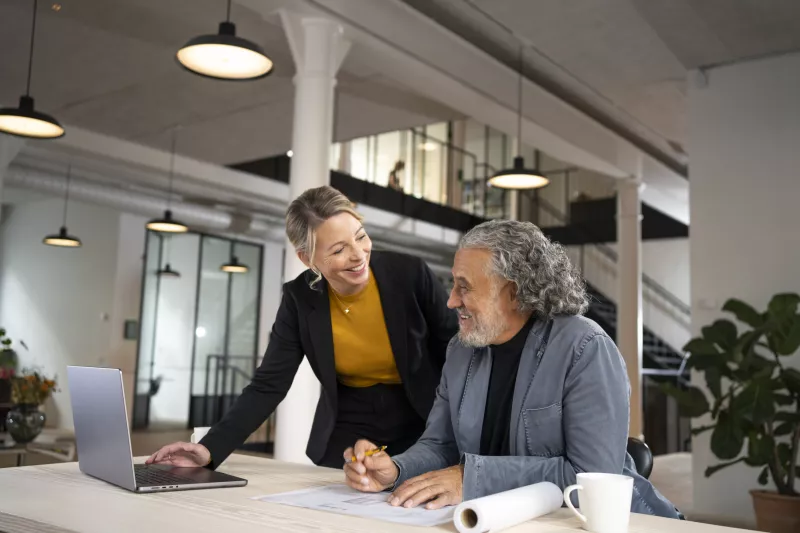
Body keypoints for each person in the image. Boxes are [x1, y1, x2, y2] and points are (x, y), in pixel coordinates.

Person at [343, 219, 682, 519]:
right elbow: (440, 445)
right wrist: (396, 470)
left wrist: (469, 478)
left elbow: (590, 477)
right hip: (497, 518)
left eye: (464, 286)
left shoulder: (586, 349)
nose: (451, 300)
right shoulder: (461, 350)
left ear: (514, 293)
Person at [147, 186, 458, 469]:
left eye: (361, 236)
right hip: (350, 420)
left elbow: (457, 351)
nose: (358, 254)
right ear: (308, 259)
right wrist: (209, 449)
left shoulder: (410, 274)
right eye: (337, 250)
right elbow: (268, 384)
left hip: (421, 411)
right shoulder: (300, 298)